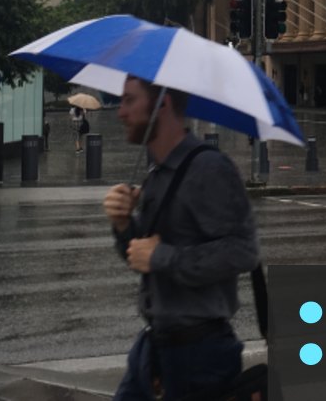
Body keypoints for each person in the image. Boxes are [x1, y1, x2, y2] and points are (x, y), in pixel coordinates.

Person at [103, 77, 258, 401]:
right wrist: (122, 225)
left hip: (200, 357)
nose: (120, 112)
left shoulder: (209, 168)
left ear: (163, 103)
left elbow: (243, 251)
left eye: (130, 101)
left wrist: (162, 257)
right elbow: (141, 258)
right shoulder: (157, 172)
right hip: (155, 348)